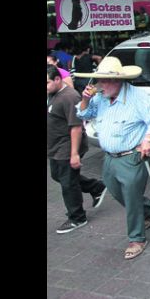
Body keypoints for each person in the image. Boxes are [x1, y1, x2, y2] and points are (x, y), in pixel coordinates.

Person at [75, 57, 150, 260]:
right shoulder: (101, 97)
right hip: (109, 157)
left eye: (104, 81)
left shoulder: (137, 96)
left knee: (131, 198)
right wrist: (86, 99)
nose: (100, 85)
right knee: (115, 192)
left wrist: (149, 139)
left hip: (132, 155)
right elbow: (83, 114)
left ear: (118, 81)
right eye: (99, 80)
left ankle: (137, 238)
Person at [47, 65, 107, 234]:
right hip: (55, 147)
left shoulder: (69, 97)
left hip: (66, 147)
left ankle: (77, 217)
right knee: (57, 175)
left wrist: (74, 154)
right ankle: (96, 187)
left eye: (47, 82)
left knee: (68, 183)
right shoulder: (52, 94)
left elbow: (76, 127)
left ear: (58, 79)